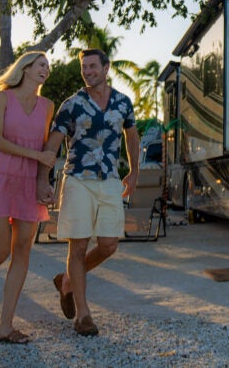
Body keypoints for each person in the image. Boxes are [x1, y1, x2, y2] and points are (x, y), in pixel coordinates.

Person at [39, 48, 139, 337]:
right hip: (78, 179)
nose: (88, 71)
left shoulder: (123, 102)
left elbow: (131, 136)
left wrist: (134, 171)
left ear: (106, 68)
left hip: (109, 179)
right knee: (78, 246)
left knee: (109, 245)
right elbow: (53, 142)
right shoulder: (72, 104)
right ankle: (83, 315)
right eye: (84, 67)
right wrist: (42, 180)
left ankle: (67, 280)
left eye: (93, 66)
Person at [0, 51, 56, 344]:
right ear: (25, 68)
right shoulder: (1, 98)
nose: (46, 69)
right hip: (0, 178)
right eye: (40, 64)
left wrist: (43, 180)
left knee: (22, 252)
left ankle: (4, 325)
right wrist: (36, 155)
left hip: (28, 183)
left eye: (48, 66)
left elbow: (45, 145)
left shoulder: (47, 106)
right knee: (0, 251)